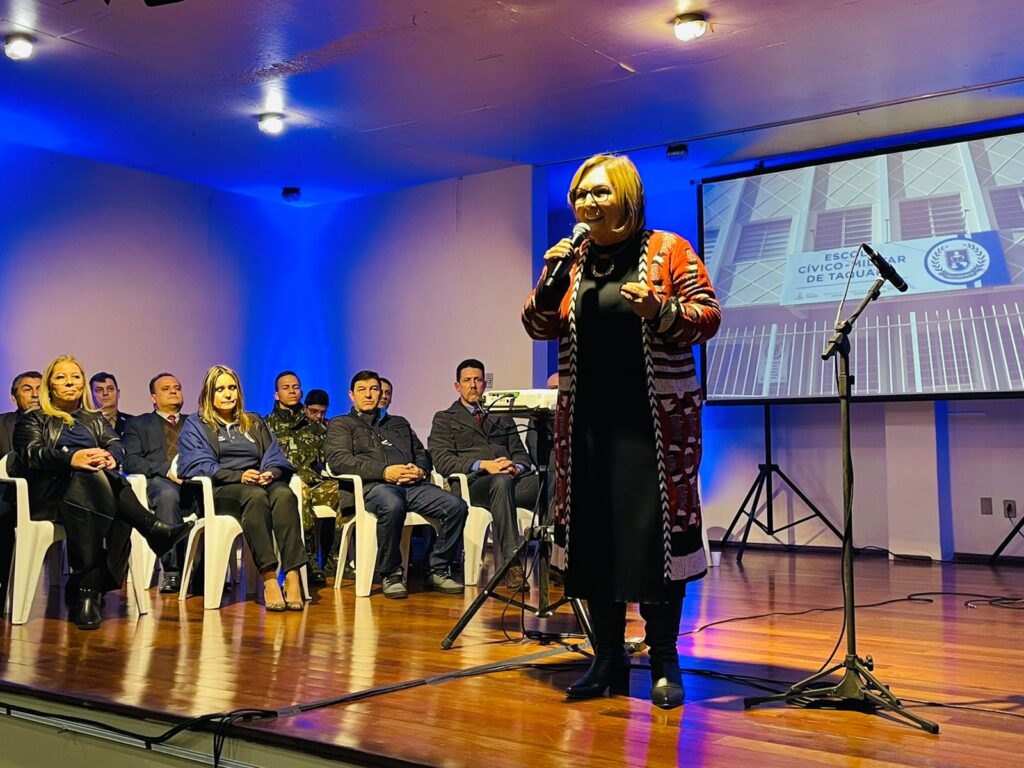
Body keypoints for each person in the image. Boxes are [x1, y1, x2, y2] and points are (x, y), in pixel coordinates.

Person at [522, 154, 721, 709]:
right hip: (587, 425)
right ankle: (607, 657)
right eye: (581, 193)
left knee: (656, 541)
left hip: (652, 426)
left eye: (600, 192)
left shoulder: (668, 249)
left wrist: (660, 309)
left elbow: (708, 317)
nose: (588, 202)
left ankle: (664, 660)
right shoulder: (571, 260)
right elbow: (536, 324)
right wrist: (550, 282)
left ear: (628, 196)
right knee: (593, 540)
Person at [13, 355, 193, 629]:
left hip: (93, 497)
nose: (69, 382)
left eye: (75, 376)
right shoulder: (34, 419)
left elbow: (116, 443)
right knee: (93, 478)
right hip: (51, 497)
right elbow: (30, 453)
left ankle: (87, 591)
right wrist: (72, 458)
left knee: (98, 478)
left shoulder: (93, 419)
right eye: (61, 377)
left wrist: (111, 456)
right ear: (50, 385)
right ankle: (151, 528)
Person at [324, 370, 466, 599]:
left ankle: (438, 568)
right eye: (362, 390)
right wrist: (384, 472)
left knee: (455, 506)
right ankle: (391, 573)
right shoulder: (342, 424)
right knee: (392, 504)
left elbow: (421, 454)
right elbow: (339, 461)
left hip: (411, 486)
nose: (368, 395)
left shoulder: (399, 423)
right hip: (373, 488)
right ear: (352, 395)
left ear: (380, 393)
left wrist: (420, 470)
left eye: (373, 389)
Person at [177, 365, 306, 611]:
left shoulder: (253, 421)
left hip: (257, 483)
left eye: (232, 388)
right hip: (220, 491)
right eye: (220, 389)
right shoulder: (197, 424)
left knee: (283, 494)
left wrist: (271, 473)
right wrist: (238, 476)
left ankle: (292, 574)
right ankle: (269, 577)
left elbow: (274, 455)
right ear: (208, 394)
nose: (228, 394)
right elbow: (193, 463)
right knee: (254, 496)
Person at [428, 358, 537, 592]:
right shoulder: (445, 418)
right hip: (472, 485)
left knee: (552, 482)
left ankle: (559, 560)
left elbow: (522, 455)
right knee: (500, 481)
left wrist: (516, 466)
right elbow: (442, 461)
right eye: (467, 380)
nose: (473, 385)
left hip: (510, 481)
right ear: (457, 386)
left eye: (478, 380)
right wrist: (482, 465)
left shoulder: (501, 416)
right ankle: (511, 565)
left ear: (484, 384)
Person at [264, 370, 339, 585]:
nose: (292, 391)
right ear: (276, 394)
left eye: (295, 387)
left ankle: (334, 558)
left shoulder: (315, 426)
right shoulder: (265, 426)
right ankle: (308, 559)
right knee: (300, 490)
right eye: (286, 388)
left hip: (314, 482)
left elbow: (327, 458)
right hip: (284, 485)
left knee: (343, 491)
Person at [122, 373, 192, 593]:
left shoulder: (196, 422)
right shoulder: (138, 424)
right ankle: (172, 571)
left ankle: (202, 571)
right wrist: (167, 470)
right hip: (161, 482)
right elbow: (131, 461)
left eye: (177, 387)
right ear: (153, 397)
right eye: (166, 388)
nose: (173, 391)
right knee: (167, 496)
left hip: (195, 482)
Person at [89, 371, 134, 436]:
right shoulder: (84, 424)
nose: (105, 393)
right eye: (99, 390)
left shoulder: (133, 423)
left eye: (110, 389)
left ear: (118, 393)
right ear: (91, 395)